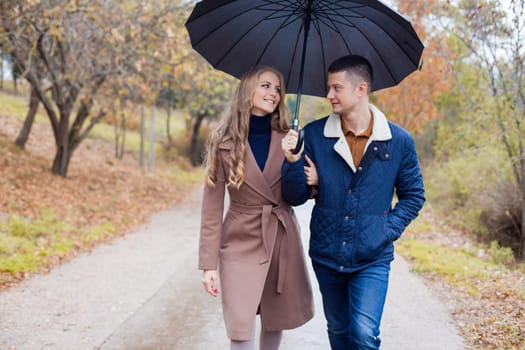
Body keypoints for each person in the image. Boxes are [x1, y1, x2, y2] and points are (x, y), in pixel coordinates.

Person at [281, 55, 425, 350]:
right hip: (327, 254)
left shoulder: (398, 141)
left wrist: (385, 230)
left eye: (336, 88)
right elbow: (294, 197)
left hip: (373, 256)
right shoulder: (315, 135)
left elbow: (414, 196)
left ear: (361, 89)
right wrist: (293, 161)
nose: (328, 95)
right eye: (328, 87)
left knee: (363, 334)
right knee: (339, 329)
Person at [199, 66, 314, 350]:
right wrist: (207, 265)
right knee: (240, 323)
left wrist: (294, 160)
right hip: (239, 238)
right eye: (265, 86)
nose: (272, 94)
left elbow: (300, 191)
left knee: (275, 318)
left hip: (280, 235)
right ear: (248, 88)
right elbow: (212, 208)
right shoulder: (223, 140)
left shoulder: (291, 137)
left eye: (277, 89)